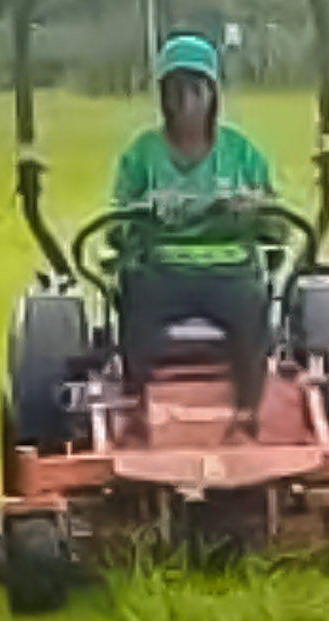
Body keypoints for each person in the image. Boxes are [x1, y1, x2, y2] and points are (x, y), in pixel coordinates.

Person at [110, 33, 278, 422]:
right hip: (162, 270)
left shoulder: (241, 153)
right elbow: (115, 228)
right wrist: (143, 214)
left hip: (229, 269)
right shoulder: (141, 156)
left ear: (213, 94)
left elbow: (277, 227)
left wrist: (253, 209)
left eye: (196, 90)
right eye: (176, 91)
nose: (187, 103)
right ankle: (137, 408)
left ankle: (248, 412)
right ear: (163, 97)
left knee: (252, 308)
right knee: (135, 305)